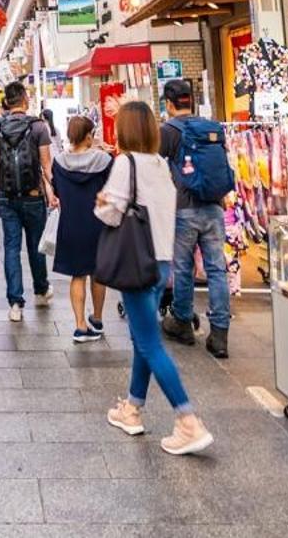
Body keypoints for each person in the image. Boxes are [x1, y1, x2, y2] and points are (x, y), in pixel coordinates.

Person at [98, 100, 213, 455]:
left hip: (136, 263)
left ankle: (187, 420)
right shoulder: (162, 164)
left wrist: (102, 200)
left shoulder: (124, 163)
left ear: (124, 131)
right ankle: (132, 408)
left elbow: (109, 213)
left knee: (149, 343)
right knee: (142, 337)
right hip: (161, 262)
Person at [156, 78, 235, 358]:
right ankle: (220, 334)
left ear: (168, 103)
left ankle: (182, 321)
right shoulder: (210, 128)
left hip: (184, 209)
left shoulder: (168, 131)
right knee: (216, 270)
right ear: (190, 99)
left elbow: (153, 165)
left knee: (183, 267)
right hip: (214, 208)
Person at [0, 81, 55, 322]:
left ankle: (15, 303)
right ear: (24, 99)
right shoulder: (38, 127)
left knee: (12, 248)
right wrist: (53, 192)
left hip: (7, 197)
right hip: (34, 196)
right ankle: (41, 290)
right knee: (37, 246)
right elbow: (47, 166)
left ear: (7, 102)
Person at [52, 115, 112, 342]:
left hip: (71, 224)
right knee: (98, 274)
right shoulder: (105, 160)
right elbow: (112, 189)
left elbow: (57, 191)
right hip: (99, 224)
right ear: (88, 136)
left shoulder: (59, 163)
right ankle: (97, 318)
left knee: (77, 275)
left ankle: (80, 326)